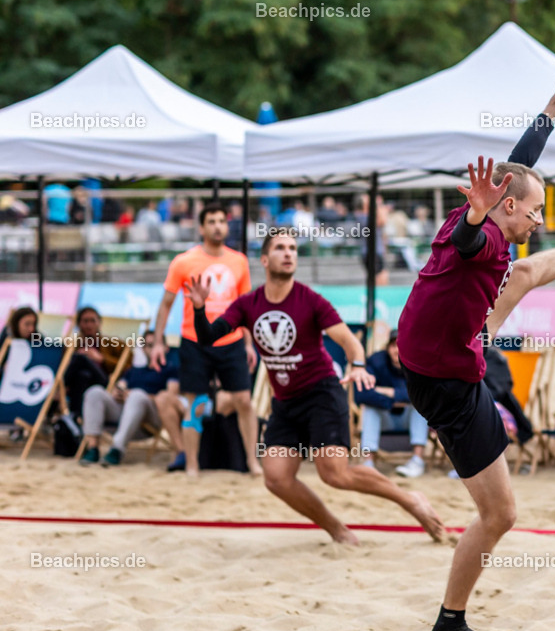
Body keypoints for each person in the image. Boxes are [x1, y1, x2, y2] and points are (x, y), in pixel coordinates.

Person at [398, 52, 555, 631]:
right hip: (447, 377)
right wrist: (478, 215)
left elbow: (521, 162)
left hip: (440, 354)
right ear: (506, 206)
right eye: (534, 211)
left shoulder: (497, 219)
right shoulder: (475, 235)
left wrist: (553, 107)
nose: (537, 217)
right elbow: (470, 234)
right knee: (501, 515)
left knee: (525, 272)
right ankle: (450, 623)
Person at [190, 231, 446, 545]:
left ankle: (409, 499)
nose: (289, 254)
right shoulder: (248, 304)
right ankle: (337, 529)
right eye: (281, 248)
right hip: (285, 403)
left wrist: (358, 365)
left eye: (293, 249)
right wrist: (200, 308)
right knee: (276, 478)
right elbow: (207, 336)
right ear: (265, 259)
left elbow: (349, 341)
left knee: (334, 474)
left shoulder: (309, 300)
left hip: (322, 393)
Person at [150, 204, 261, 478]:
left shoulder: (239, 261)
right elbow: (165, 304)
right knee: (195, 403)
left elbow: (244, 306)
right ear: (201, 227)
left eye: (222, 221)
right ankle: (192, 465)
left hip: (231, 340)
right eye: (211, 221)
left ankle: (253, 462)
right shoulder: (184, 261)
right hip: (195, 341)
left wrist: (248, 344)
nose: (217, 226)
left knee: (244, 401)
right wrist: (158, 341)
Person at [79, 331, 179, 466]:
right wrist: (119, 394)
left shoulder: (171, 370)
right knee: (94, 392)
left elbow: (170, 398)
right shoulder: (133, 371)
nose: (152, 349)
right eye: (148, 345)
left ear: (165, 347)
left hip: (151, 416)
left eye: (155, 345)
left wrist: (134, 394)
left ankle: (117, 449)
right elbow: (120, 388)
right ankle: (93, 448)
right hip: (126, 412)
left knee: (137, 395)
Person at [354, 329, 430, 478]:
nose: (397, 350)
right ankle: (368, 463)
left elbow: (426, 393)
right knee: (370, 408)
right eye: (393, 345)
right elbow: (362, 394)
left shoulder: (418, 361)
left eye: (401, 345)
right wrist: (394, 401)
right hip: (385, 418)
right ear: (387, 348)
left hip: (409, 419)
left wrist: (390, 392)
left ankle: (417, 460)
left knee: (419, 406)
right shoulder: (376, 361)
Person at [62, 307, 123, 417]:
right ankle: (77, 418)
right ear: (79, 324)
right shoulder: (72, 345)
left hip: (104, 382)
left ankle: (59, 388)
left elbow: (126, 366)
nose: (89, 325)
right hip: (78, 385)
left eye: (92, 321)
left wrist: (101, 359)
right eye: (85, 321)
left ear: (99, 323)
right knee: (83, 375)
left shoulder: (112, 344)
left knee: (81, 358)